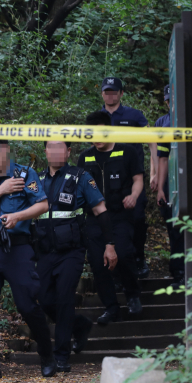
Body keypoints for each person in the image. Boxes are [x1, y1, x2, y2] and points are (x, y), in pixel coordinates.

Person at [0, 139, 56, 380]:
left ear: (5, 150)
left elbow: (43, 205)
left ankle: (47, 354)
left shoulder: (25, 173)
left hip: (18, 248)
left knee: (27, 304)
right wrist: (2, 189)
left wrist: (18, 215)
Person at [33, 140, 117, 372]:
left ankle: (61, 356)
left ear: (68, 151)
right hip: (45, 251)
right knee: (42, 297)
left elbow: (100, 210)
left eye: (61, 147)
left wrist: (110, 244)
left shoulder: (81, 177)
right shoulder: (37, 180)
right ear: (45, 151)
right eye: (51, 147)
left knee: (64, 298)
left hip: (71, 251)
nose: (55, 151)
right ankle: (78, 325)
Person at [77, 111, 144, 325]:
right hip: (94, 219)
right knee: (98, 263)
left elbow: (138, 179)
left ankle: (132, 294)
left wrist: (133, 196)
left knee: (123, 254)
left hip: (120, 215)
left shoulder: (127, 152)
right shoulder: (85, 157)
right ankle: (111, 307)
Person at [99, 77, 156, 279]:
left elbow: (152, 141)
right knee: (109, 222)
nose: (110, 95)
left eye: (114, 91)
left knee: (138, 219)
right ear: (102, 94)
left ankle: (139, 258)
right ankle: (115, 267)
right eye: (107, 91)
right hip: (107, 181)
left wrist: (155, 170)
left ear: (121, 93)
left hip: (134, 179)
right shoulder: (99, 118)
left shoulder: (134, 115)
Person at [155, 85, 185, 289]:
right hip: (170, 181)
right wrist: (159, 186)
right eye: (168, 100)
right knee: (173, 229)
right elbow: (162, 158)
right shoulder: (162, 123)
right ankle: (178, 272)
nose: (170, 103)